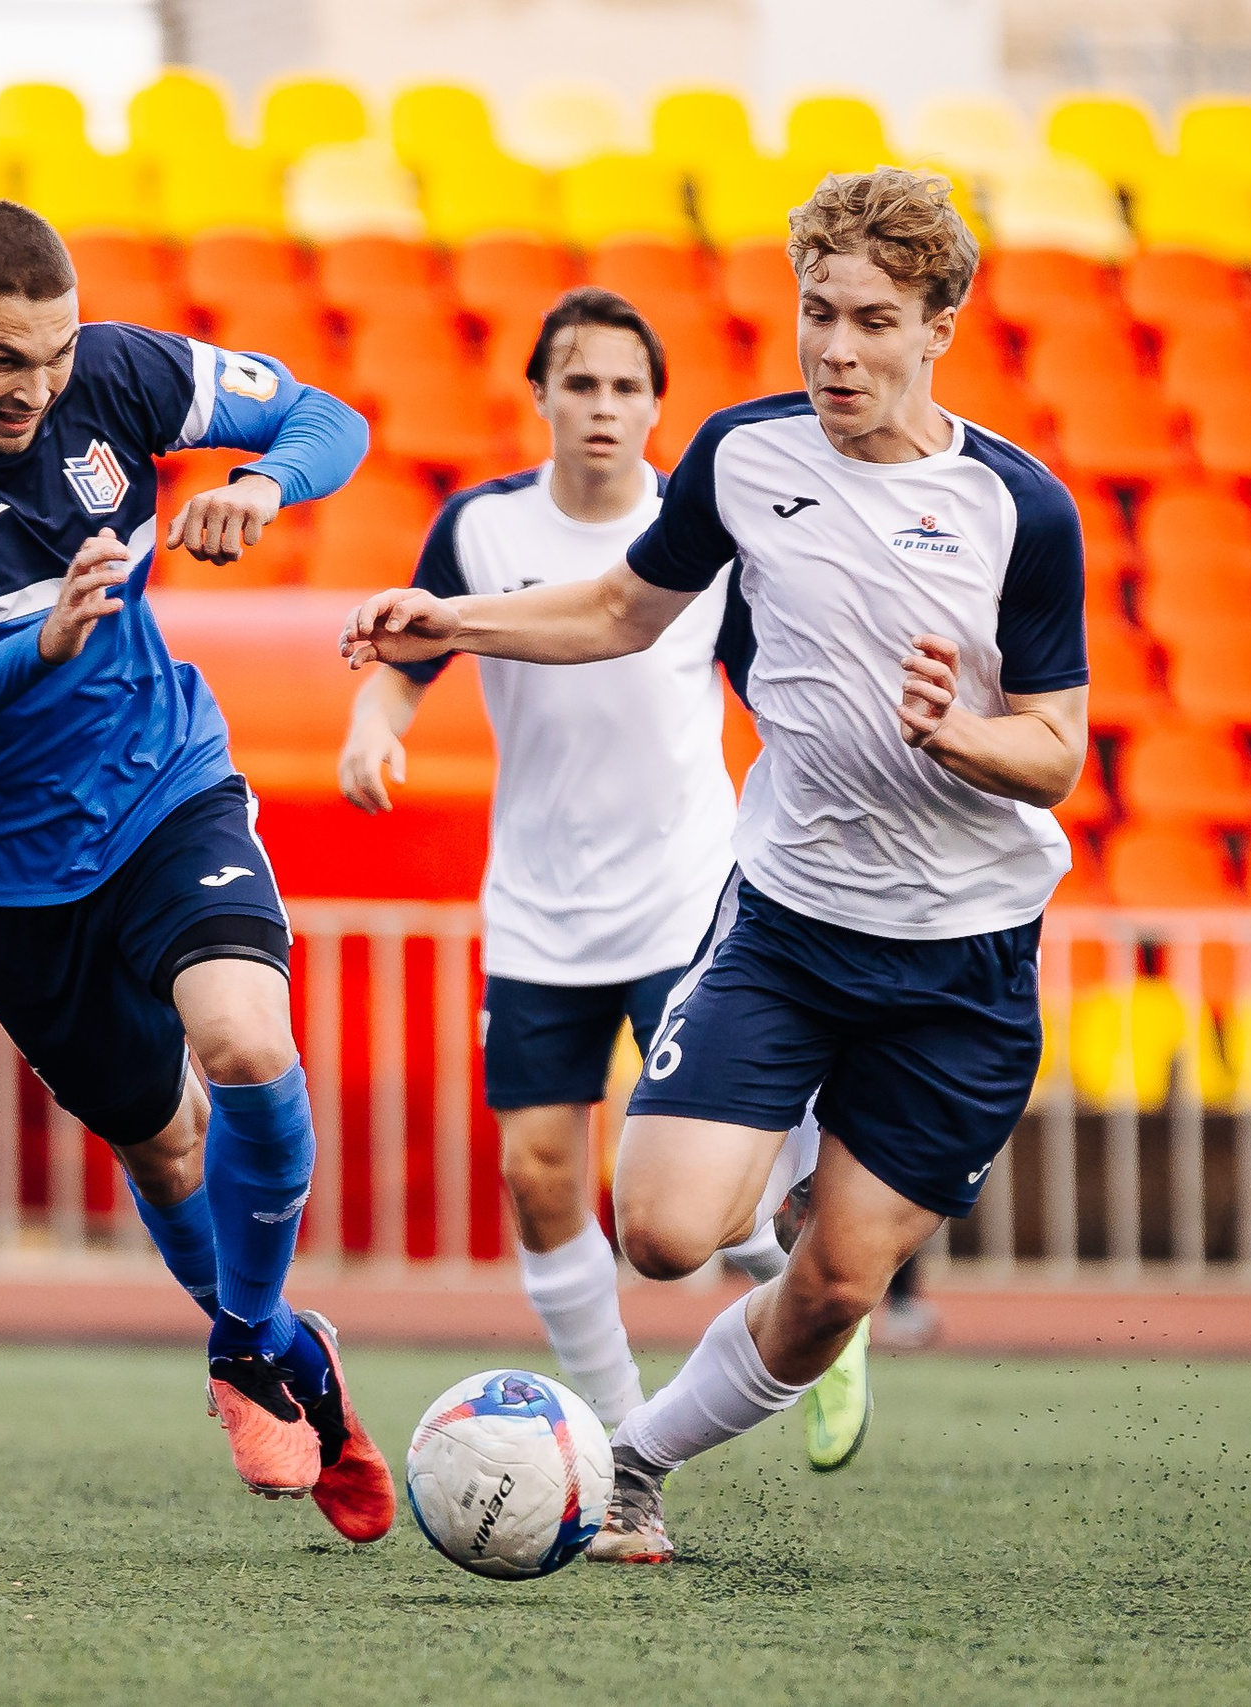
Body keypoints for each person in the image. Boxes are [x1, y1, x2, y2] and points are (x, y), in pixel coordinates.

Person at [338, 166, 1088, 1561]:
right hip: (788, 925)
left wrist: (964, 736)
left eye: (872, 319)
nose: (836, 348)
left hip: (968, 958)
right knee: (667, 1232)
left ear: (941, 325)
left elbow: (1059, 753)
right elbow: (624, 605)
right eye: (816, 312)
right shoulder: (746, 457)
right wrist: (446, 620)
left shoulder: (1020, 512)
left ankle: (631, 1462)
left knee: (837, 1287)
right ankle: (787, 1170)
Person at [0, 199, 393, 1543]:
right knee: (164, 1134)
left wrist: (258, 484)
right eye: (5, 359)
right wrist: (47, 644)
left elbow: (329, 419)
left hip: (162, 785)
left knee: (245, 1040)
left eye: (53, 355)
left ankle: (250, 1342)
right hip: (2, 869)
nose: (39, 387)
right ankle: (285, 1345)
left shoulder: (117, 372)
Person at [333, 289, 865, 1461]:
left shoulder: (699, 532)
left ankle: (815, 1322)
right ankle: (618, 1435)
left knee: (704, 1196)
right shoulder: (479, 531)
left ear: (657, 404)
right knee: (537, 1178)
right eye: (581, 383)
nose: (604, 407)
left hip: (683, 895)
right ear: (539, 397)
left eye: (627, 387)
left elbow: (782, 689)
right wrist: (373, 724)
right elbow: (406, 657)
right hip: (535, 906)